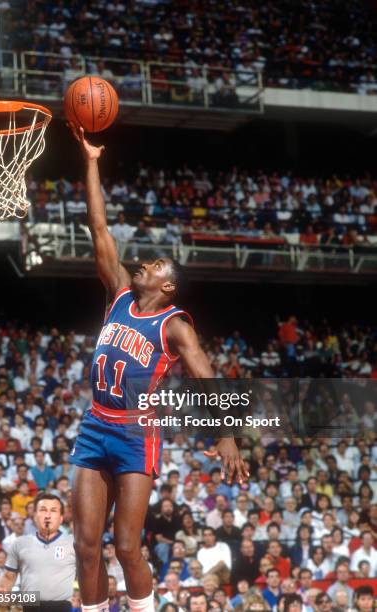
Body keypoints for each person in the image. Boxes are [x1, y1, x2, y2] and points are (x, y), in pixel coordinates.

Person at [67, 124, 249, 612]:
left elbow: (204, 375)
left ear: (169, 286)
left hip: (134, 433)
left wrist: (226, 433)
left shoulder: (175, 326)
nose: (146, 264)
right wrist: (91, 160)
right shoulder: (121, 294)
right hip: (94, 425)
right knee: (86, 547)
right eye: (147, 262)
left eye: (158, 265)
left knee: (126, 547)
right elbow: (99, 229)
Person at [0, 493, 76, 612]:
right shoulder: (20, 543)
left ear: (61, 518)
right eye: (43, 510)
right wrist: (1, 592)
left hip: (62, 607)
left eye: (53, 511)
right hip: (30, 605)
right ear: (34, 516)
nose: (47, 515)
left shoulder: (74, 543)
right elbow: (8, 577)